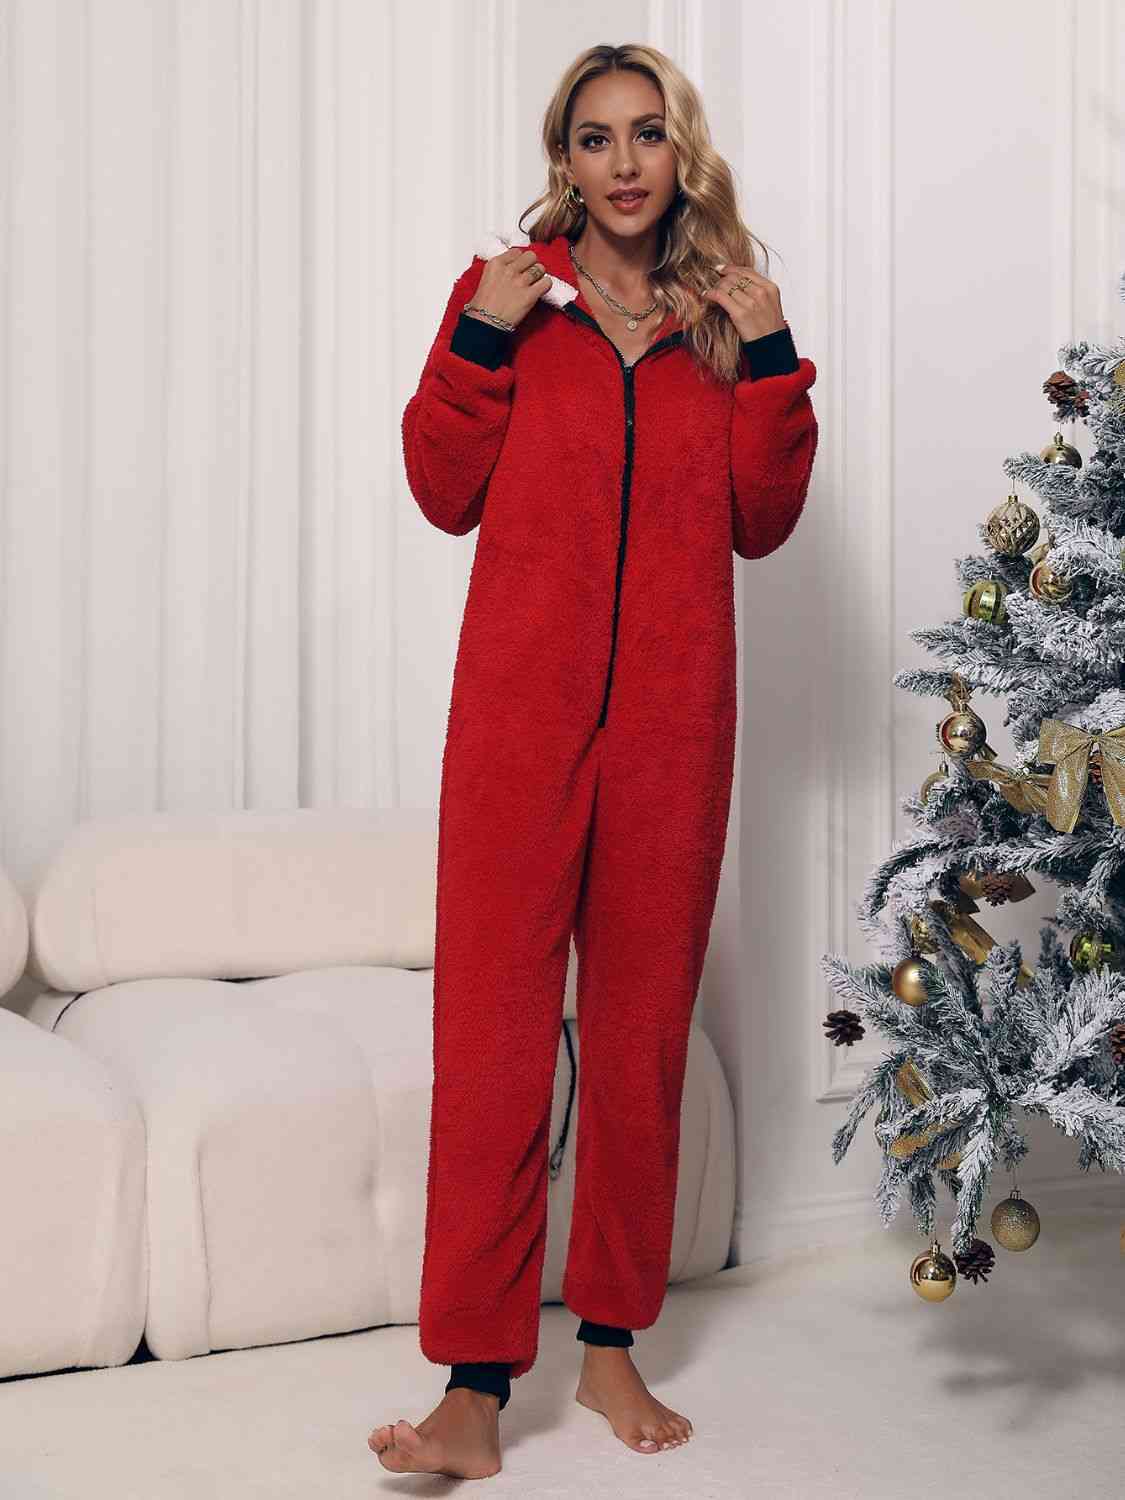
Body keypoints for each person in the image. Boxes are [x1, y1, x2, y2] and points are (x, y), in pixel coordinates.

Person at [370, 41, 819, 1480]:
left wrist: (768, 360)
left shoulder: (721, 317)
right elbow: (440, 490)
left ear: (681, 153)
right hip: (518, 729)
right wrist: (477, 342)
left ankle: (613, 1344)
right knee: (492, 1045)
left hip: (674, 736)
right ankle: (474, 1383)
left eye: (646, 134)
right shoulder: (507, 298)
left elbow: (764, 520)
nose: (623, 163)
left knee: (637, 1041)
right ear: (561, 160)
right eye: (593, 137)